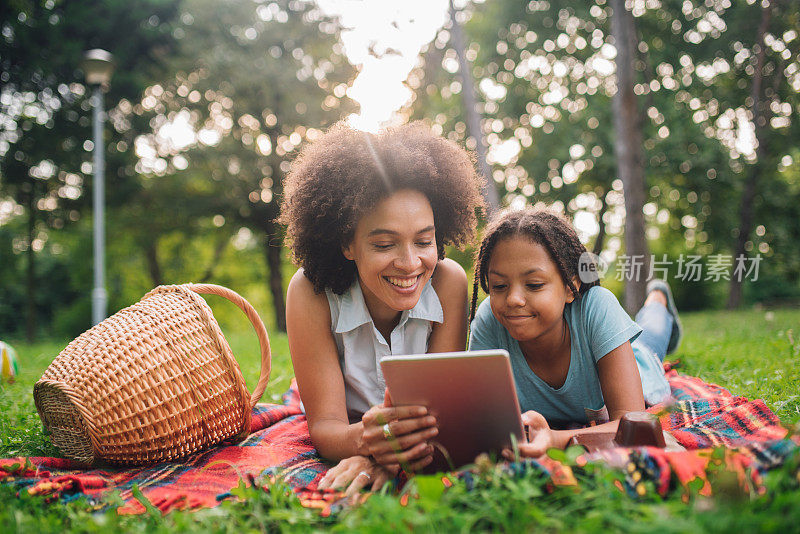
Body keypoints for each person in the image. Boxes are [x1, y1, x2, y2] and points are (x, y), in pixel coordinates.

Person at [279, 121, 485, 492]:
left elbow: (440, 418)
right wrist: (367, 444)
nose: (409, 263)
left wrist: (388, 457)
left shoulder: (449, 281)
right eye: (384, 245)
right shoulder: (311, 291)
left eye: (424, 241)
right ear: (347, 244)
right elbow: (326, 428)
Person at [468, 207, 682, 458]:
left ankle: (657, 299)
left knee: (651, 339)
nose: (513, 299)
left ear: (572, 286)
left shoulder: (597, 306)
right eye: (499, 286)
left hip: (638, 361)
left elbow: (630, 424)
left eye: (534, 285)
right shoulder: (489, 320)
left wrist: (556, 439)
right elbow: (481, 421)